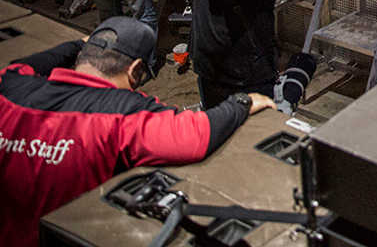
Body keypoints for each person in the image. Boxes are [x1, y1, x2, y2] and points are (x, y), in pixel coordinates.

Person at [0, 17, 275, 247]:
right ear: (134, 70)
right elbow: (195, 135)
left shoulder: (11, 86)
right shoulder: (123, 114)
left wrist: (81, 44)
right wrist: (242, 102)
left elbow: (27, 63)